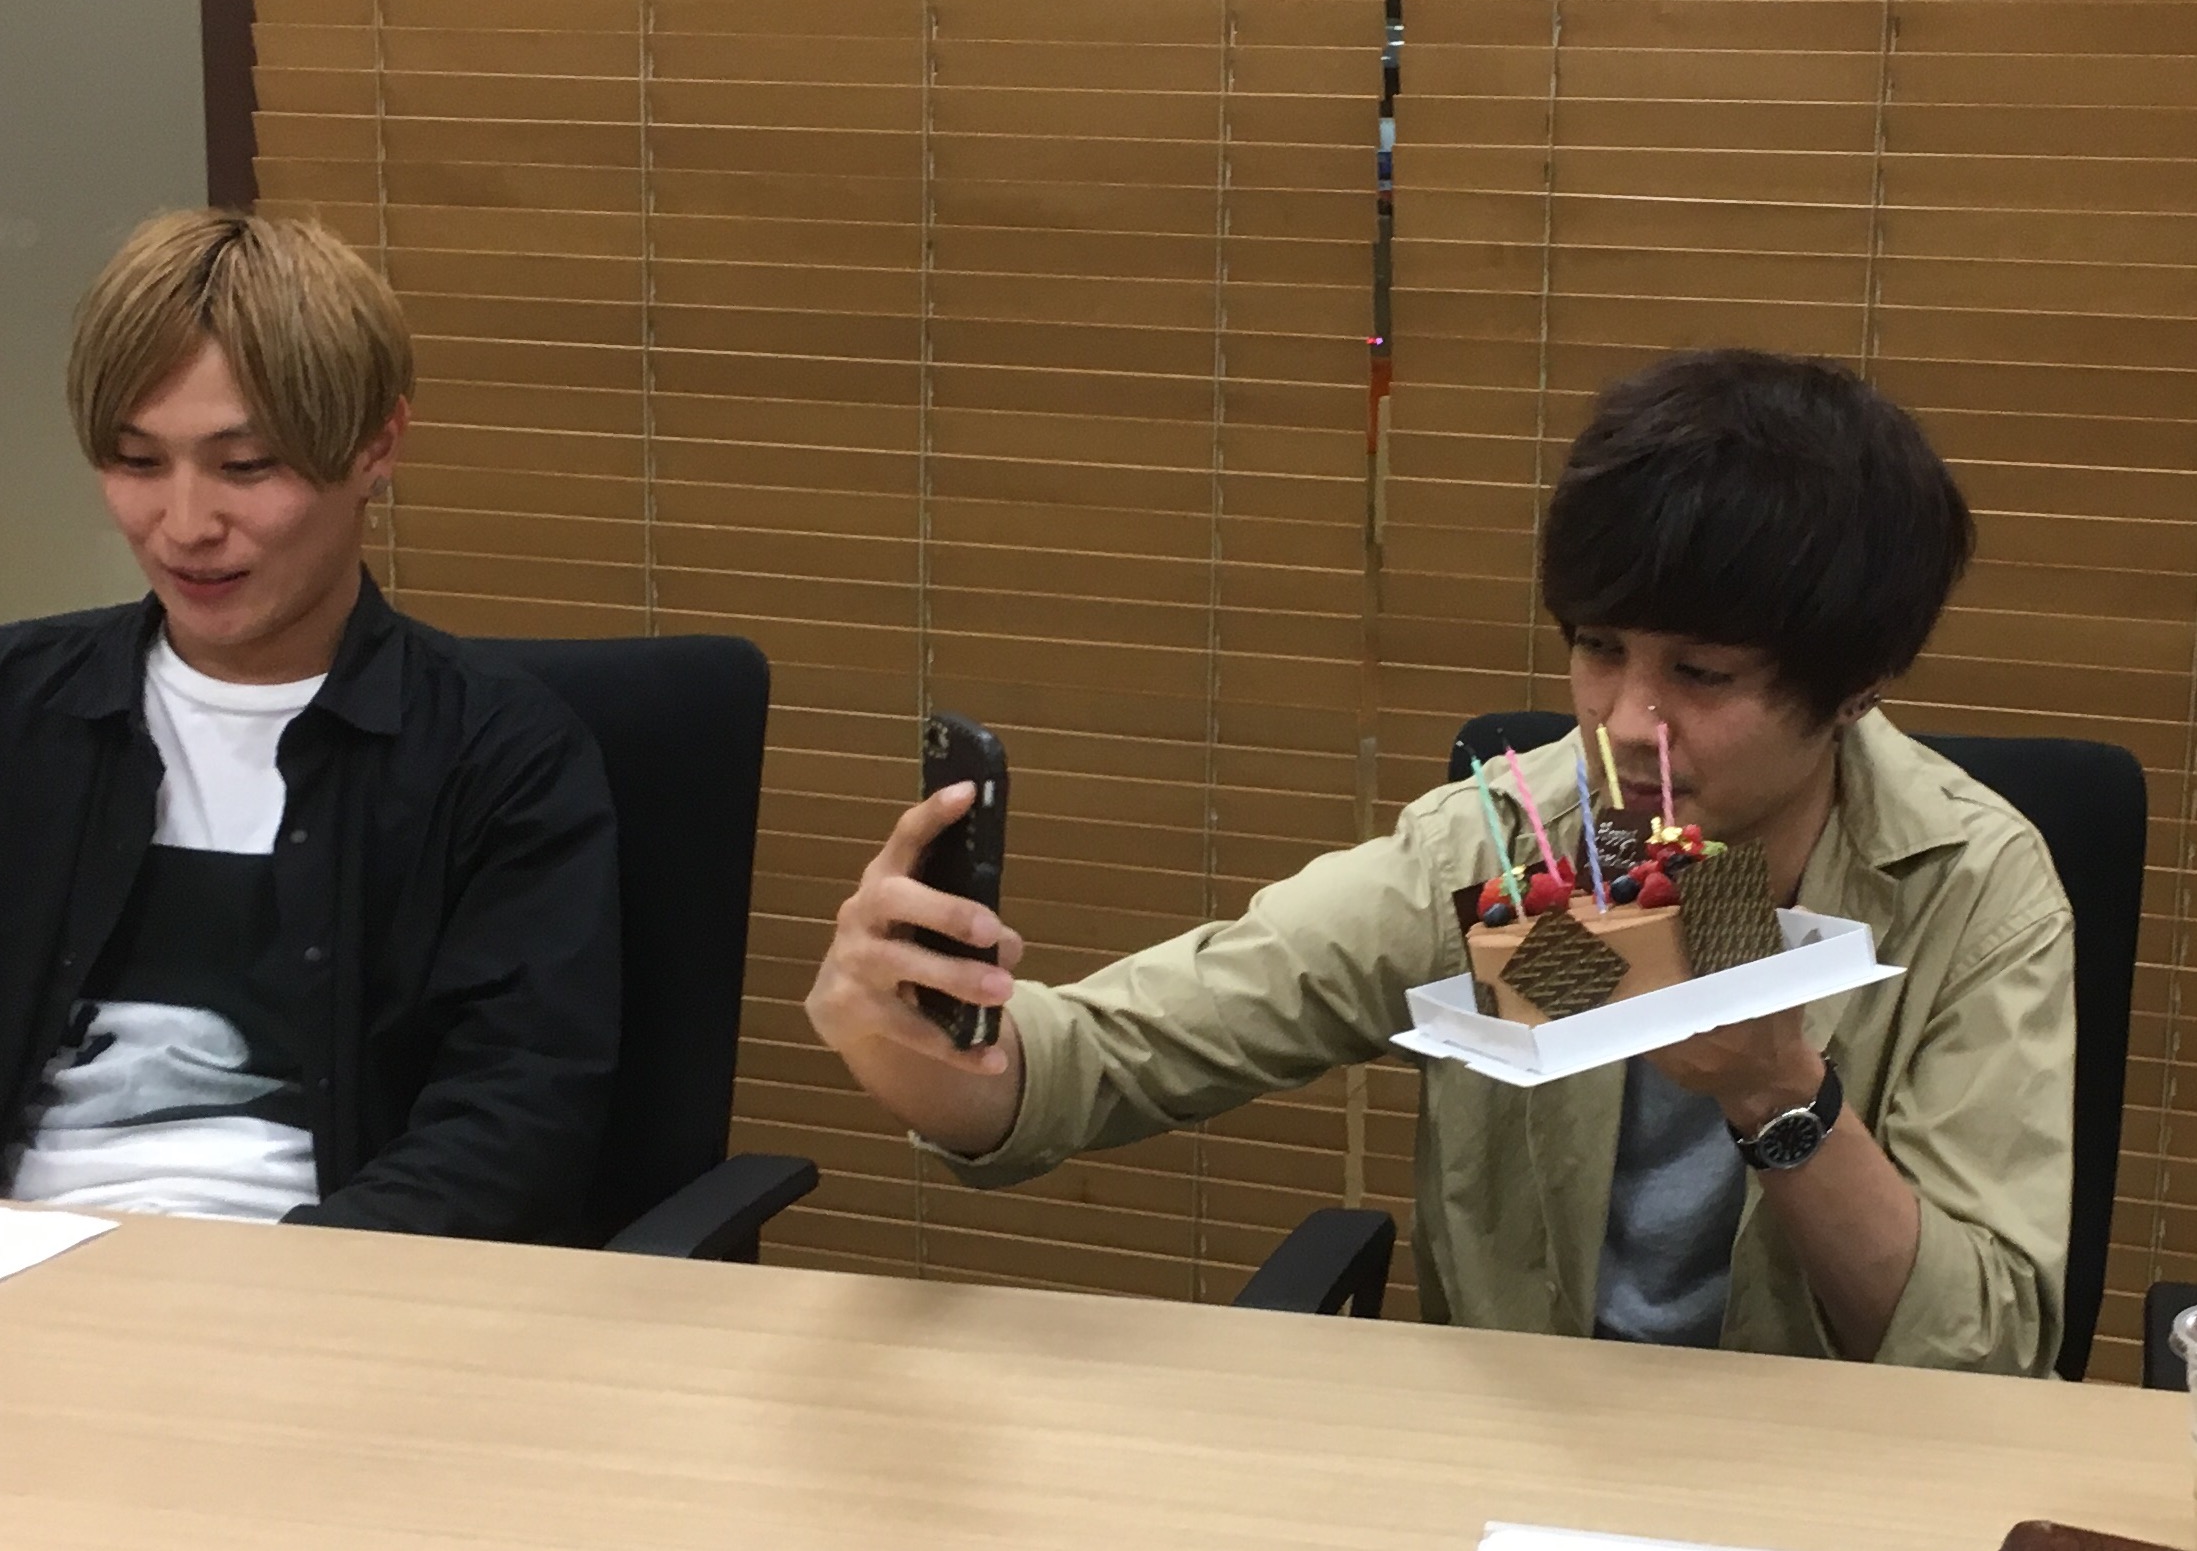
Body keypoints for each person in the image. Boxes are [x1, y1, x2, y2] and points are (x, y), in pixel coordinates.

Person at [809, 349, 2075, 1374]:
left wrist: (1779, 1096)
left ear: (1853, 689)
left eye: (1700, 674)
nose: (1624, 723)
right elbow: (1127, 1048)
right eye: (1597, 649)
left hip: (1828, 1476)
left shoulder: (1971, 888)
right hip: (1519, 1451)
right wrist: (937, 1042)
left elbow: (1985, 1350)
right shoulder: (1515, 838)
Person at [0, 211, 620, 1239]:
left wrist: (302, 1285)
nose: (186, 525)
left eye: (246, 466)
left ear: (378, 445)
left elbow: (513, 1123)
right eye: (138, 462)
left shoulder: (499, 757)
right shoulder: (18, 707)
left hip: (322, 1276)